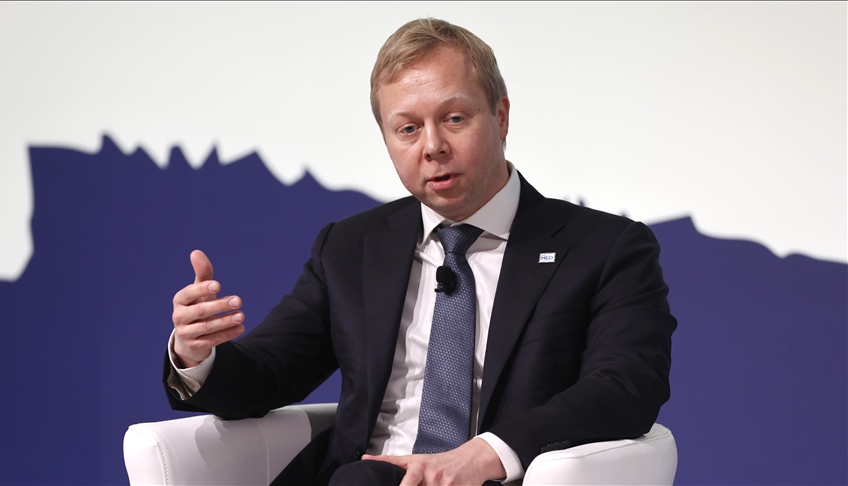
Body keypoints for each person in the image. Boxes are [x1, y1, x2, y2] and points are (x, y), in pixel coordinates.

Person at [165, 18, 676, 486]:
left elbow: (626, 385)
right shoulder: (351, 246)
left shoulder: (603, 248)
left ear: (500, 117)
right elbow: (271, 371)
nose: (432, 146)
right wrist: (197, 354)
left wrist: (486, 454)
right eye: (408, 128)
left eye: (454, 118)